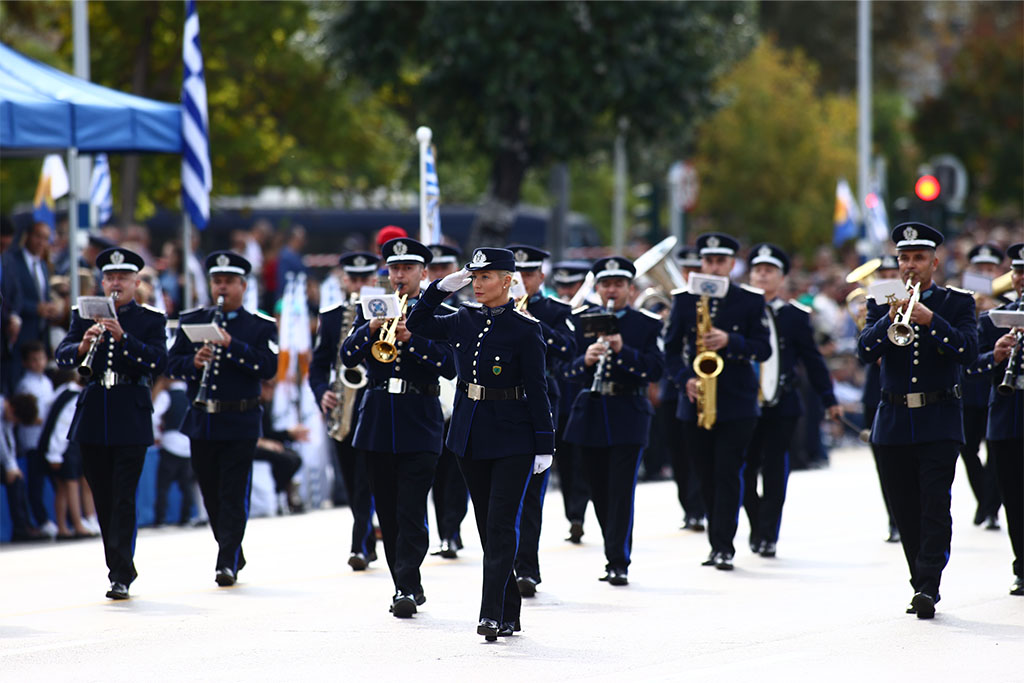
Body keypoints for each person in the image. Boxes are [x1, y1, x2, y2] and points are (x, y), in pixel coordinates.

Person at [406, 247, 554, 641]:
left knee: (502, 525)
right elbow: (417, 321)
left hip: (514, 437)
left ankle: (490, 614)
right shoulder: (464, 319)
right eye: (475, 277)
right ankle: (509, 612)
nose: (478, 284)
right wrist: (439, 287)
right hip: (470, 433)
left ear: (508, 280)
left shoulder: (526, 329)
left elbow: (538, 390)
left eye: (486, 277)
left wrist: (545, 443)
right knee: (489, 529)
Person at [858, 222, 977, 619]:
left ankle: (929, 584)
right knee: (905, 509)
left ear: (934, 263)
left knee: (933, 506)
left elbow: (967, 351)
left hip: (939, 420)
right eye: (904, 258)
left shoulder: (957, 303)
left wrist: (930, 320)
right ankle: (919, 580)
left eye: (918, 258)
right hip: (892, 420)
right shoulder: (882, 300)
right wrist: (886, 317)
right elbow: (863, 352)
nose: (910, 266)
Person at [341, 237, 455, 618]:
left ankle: (407, 582)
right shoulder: (370, 306)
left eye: (407, 268)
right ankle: (403, 583)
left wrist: (413, 339)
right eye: (394, 268)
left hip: (420, 417)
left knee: (410, 508)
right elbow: (347, 356)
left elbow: (450, 365)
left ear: (424, 272)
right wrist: (370, 329)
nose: (400, 275)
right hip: (376, 418)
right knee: (387, 511)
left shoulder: (439, 312)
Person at [54, 247, 167, 599]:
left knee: (122, 497)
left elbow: (158, 362)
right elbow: (62, 354)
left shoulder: (150, 319)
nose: (115, 283)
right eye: (110, 278)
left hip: (130, 412)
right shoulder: (84, 314)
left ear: (136, 282)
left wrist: (123, 338)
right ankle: (117, 564)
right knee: (103, 497)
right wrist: (81, 345)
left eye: (122, 278)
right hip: (94, 413)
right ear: (102, 281)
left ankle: (120, 572)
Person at [167, 251, 278, 587]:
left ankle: (225, 560)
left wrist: (230, 345)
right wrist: (193, 363)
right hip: (202, 420)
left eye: (229, 282)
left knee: (233, 492)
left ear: (243, 286)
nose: (222, 287)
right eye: (218, 281)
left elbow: (269, 367)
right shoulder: (192, 320)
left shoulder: (259, 325)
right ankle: (232, 547)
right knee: (211, 493)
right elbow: (172, 365)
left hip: (240, 420)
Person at [663, 232, 771, 571]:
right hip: (694, 401)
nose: (713, 266)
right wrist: (685, 380)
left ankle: (723, 545)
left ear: (731, 264)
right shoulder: (683, 299)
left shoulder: (750, 300)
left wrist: (731, 340)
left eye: (720, 261)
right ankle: (716, 541)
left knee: (728, 472)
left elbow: (764, 348)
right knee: (705, 474)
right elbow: (668, 351)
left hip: (737, 401)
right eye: (708, 261)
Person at [563, 256, 665, 585]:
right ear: (597, 288)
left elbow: (655, 369)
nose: (611, 290)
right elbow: (565, 371)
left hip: (629, 413)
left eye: (618, 284)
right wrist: (586, 359)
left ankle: (617, 560)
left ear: (630, 289)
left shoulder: (646, 324)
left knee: (621, 490)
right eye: (606, 284)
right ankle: (613, 547)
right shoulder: (581, 320)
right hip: (591, 413)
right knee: (598, 489)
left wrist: (624, 352)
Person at [743, 243, 842, 557]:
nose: (762, 275)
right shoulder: (739, 312)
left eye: (769, 271)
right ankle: (756, 523)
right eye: (758, 270)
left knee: (774, 469)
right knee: (743, 469)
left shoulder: (795, 317)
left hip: (782, 403)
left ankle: (769, 533)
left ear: (782, 277)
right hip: (744, 404)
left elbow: (813, 360)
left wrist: (829, 398)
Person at [506, 245, 576, 598]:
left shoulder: (555, 310)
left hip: (540, 402)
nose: (521, 281)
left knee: (532, 493)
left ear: (540, 277)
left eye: (528, 274)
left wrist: (533, 326)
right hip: (501, 406)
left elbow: (569, 348)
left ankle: (527, 570)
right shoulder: (491, 309)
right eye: (515, 274)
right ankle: (504, 567)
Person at [309, 251, 380, 570]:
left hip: (375, 404)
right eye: (353, 279)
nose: (359, 285)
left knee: (367, 479)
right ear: (344, 281)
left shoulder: (387, 312)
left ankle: (359, 545)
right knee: (352, 480)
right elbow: (318, 366)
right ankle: (366, 540)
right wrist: (322, 392)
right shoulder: (334, 316)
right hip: (344, 408)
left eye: (365, 279)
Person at [966, 242, 1022, 596]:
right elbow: (971, 366)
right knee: (1014, 497)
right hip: (1007, 418)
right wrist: (997, 355)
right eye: (1018, 272)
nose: (1021, 279)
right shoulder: (996, 318)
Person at [426, 243, 470, 557]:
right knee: (431, 474)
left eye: (447, 269)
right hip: (429, 403)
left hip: (458, 403)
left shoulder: (467, 312)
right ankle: (440, 532)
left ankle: (451, 532)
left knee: (455, 476)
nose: (442, 275)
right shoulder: (422, 311)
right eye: (436, 269)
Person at [549, 260, 594, 544]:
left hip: (583, 396)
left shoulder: (590, 315)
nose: (566, 290)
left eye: (572, 285)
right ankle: (573, 516)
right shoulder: (554, 312)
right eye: (561, 285)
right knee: (565, 460)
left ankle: (580, 511)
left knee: (583, 460)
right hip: (559, 397)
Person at [960, 243, 1005, 530]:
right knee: (968, 448)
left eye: (990, 269)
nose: (986, 273)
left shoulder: (1009, 300)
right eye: (981, 269)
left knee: (997, 451)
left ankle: (990, 508)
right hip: (968, 387)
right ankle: (985, 501)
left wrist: (995, 311)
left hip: (996, 386)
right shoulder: (963, 300)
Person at [859, 253, 902, 543]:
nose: (887, 279)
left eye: (892, 273)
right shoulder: (873, 304)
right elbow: (861, 348)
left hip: (906, 391)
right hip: (877, 392)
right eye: (882, 274)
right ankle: (894, 518)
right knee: (885, 463)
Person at [664, 246, 706, 531]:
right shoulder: (673, 302)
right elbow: (666, 348)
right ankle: (688, 507)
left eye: (696, 270)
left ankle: (699, 507)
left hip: (707, 383)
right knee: (679, 453)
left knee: (701, 453)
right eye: (686, 270)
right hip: (674, 388)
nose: (690, 275)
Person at [39, 369, 96, 539]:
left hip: (63, 446)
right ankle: (77, 524)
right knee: (70, 485)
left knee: (63, 489)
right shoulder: (75, 397)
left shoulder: (64, 390)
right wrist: (55, 454)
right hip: (62, 447)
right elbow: (62, 426)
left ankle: (63, 527)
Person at [14, 340, 56, 537]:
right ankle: (41, 521)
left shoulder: (47, 382)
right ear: (25, 363)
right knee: (36, 485)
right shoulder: (25, 385)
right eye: (33, 360)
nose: (38, 363)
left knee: (58, 481)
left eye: (41, 358)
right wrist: (47, 421)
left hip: (48, 440)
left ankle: (62, 519)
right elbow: (26, 415)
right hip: (33, 441)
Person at [151, 376, 195, 526]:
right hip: (188, 444)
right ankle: (186, 517)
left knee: (163, 485)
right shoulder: (191, 395)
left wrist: (156, 436)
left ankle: (161, 518)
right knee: (186, 485)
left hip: (170, 443)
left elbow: (154, 416)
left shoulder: (166, 395)